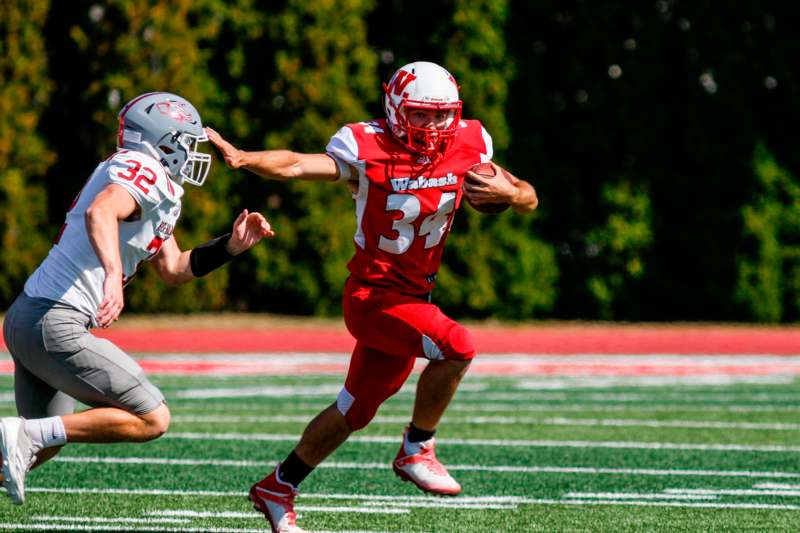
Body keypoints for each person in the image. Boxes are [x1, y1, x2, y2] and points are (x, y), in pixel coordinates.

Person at [207, 61, 537, 533]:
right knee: (457, 345)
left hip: (414, 299)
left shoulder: (471, 142)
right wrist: (244, 157)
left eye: (441, 114)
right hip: (373, 297)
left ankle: (278, 486)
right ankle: (417, 447)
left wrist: (513, 192)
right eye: (421, 114)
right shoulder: (368, 144)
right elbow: (300, 163)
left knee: (354, 411)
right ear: (396, 109)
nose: (432, 126)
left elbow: (528, 197)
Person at [0, 91, 274, 505]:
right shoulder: (144, 168)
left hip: (30, 316)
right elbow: (101, 212)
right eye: (186, 141)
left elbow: (174, 268)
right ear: (163, 141)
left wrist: (229, 248)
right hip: (54, 318)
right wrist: (113, 274)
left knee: (43, 441)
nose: (191, 152)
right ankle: (22, 432)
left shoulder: (157, 188)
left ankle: (25, 435)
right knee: (151, 418)